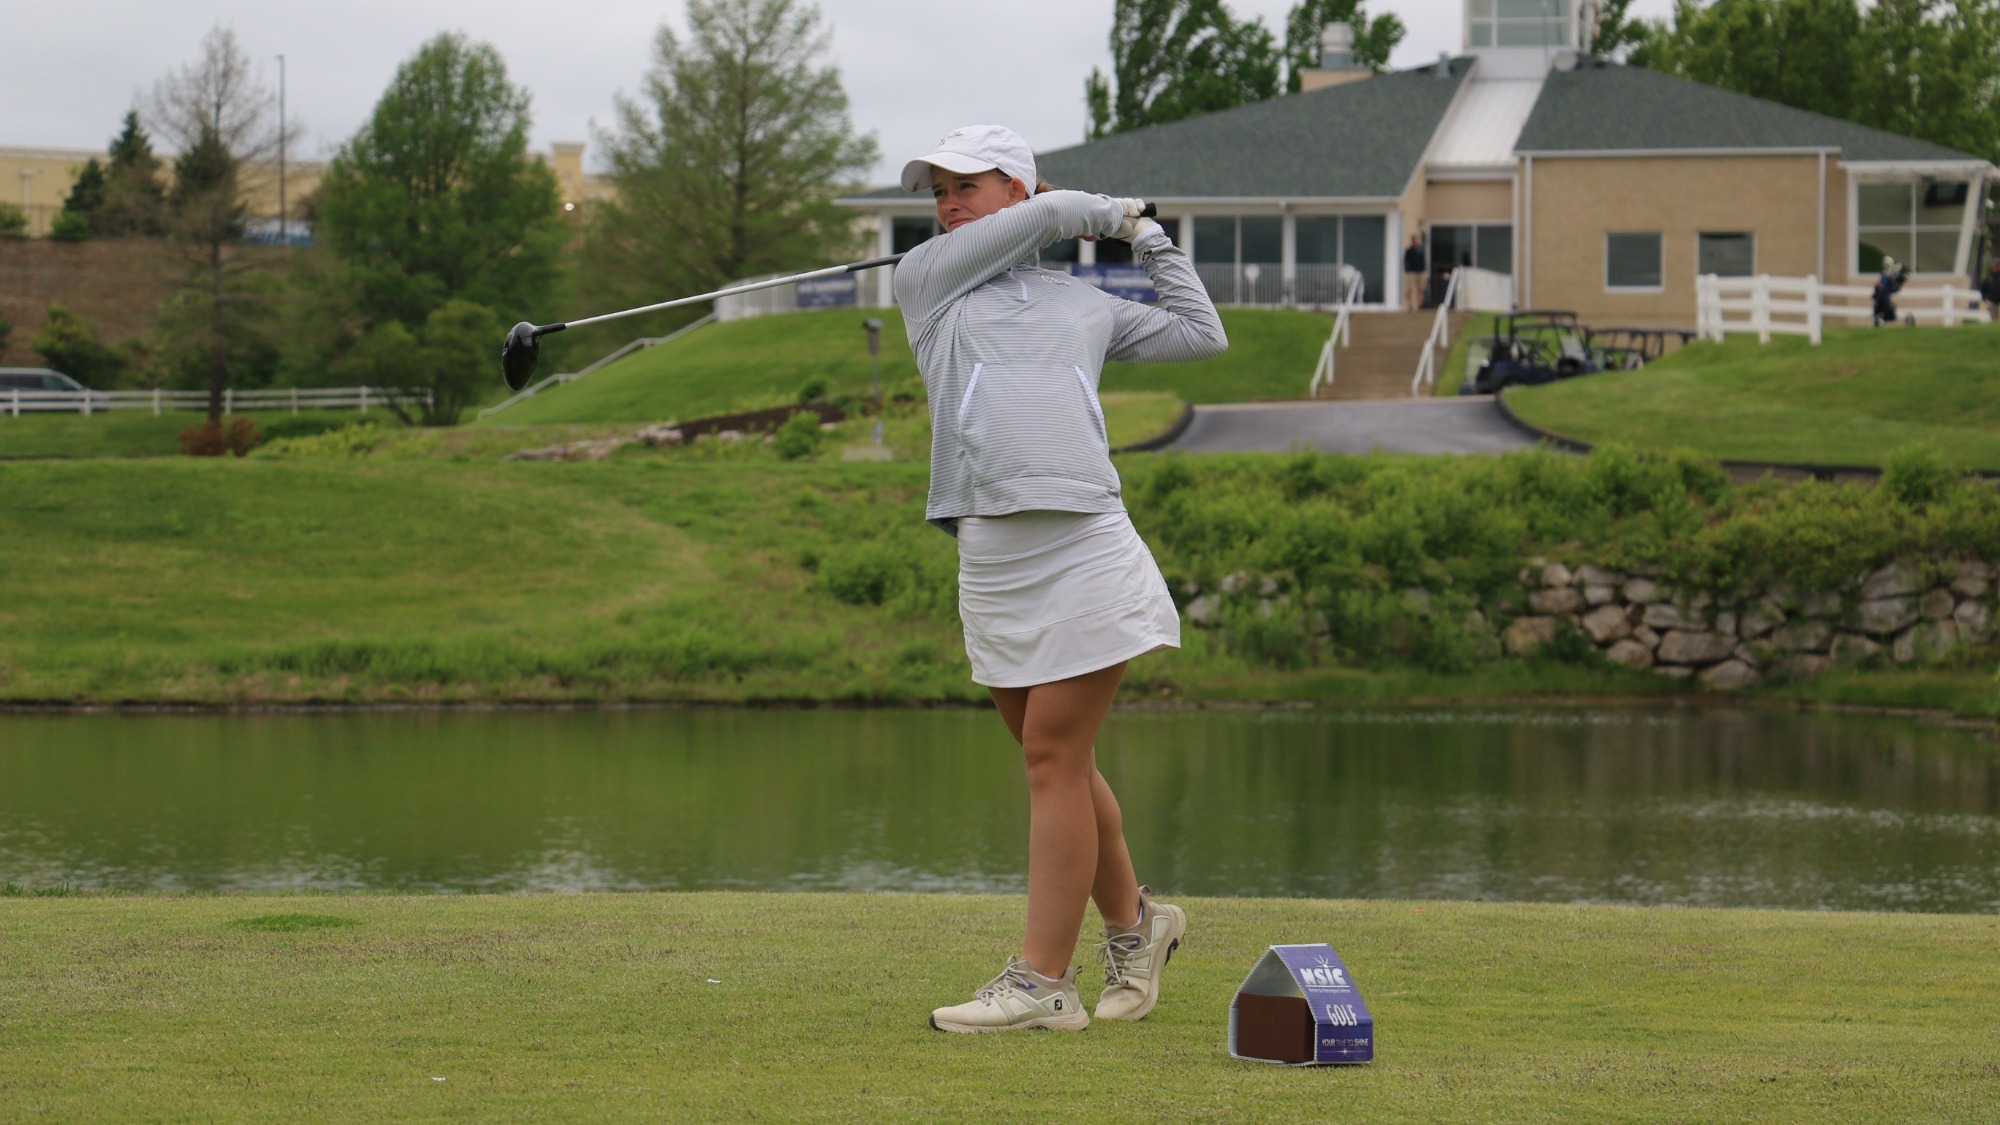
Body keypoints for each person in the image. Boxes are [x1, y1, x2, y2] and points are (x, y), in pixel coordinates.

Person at [893, 125, 1227, 1034]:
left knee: (1052, 754)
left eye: (968, 184)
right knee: (1061, 761)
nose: (947, 202)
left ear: (1017, 189)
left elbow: (1203, 333)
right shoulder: (927, 283)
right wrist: (1098, 209)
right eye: (937, 190)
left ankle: (1044, 984)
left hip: (1085, 541)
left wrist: (1146, 238)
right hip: (992, 554)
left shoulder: (1083, 304)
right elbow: (1059, 216)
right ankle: (1139, 923)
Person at [1403, 233, 1427, 309]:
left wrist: (1424, 269)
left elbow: (1423, 260)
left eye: (1417, 239)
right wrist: (1407, 269)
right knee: (1410, 287)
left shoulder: (1421, 250)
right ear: (1412, 240)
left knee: (1420, 288)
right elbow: (1405, 260)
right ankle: (1410, 304)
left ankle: (1420, 303)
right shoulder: (1409, 250)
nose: (1416, 241)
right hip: (1411, 271)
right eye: (1414, 239)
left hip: (1420, 271)